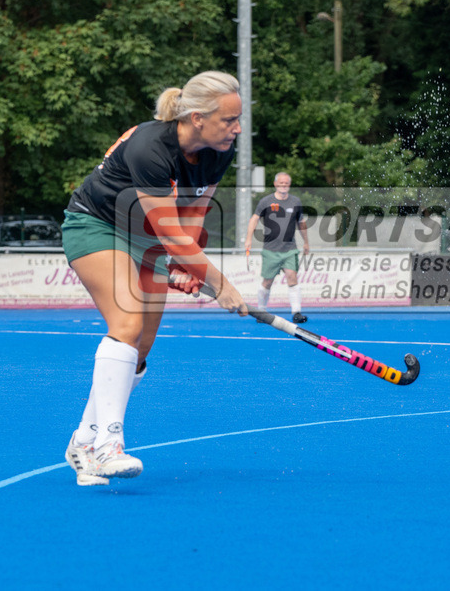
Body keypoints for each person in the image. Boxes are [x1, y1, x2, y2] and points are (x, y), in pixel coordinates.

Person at [61, 71, 248, 486]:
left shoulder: (219, 150)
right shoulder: (150, 146)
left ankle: (83, 441)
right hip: (97, 225)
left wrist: (184, 265)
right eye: (228, 120)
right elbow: (169, 231)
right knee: (125, 326)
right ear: (197, 118)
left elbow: (192, 215)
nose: (237, 129)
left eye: (239, 120)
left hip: (147, 239)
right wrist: (222, 285)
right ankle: (108, 446)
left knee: (140, 347)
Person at [244, 172, 310, 321]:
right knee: (267, 281)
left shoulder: (295, 202)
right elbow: (254, 219)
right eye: (281, 183)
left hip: (289, 248)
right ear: (275, 184)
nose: (283, 186)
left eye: (286, 183)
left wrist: (306, 242)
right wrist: (248, 239)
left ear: (289, 185)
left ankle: (296, 312)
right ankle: (261, 312)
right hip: (270, 249)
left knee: (292, 277)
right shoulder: (266, 201)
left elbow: (301, 223)